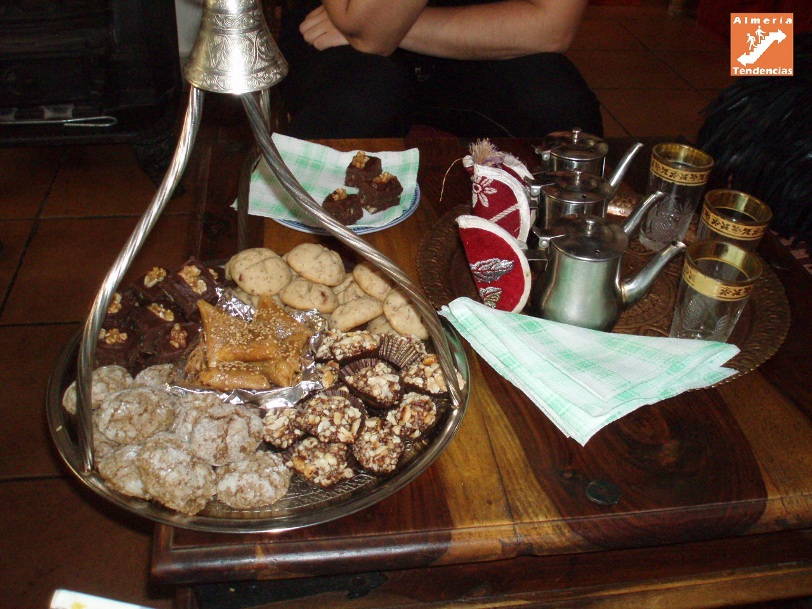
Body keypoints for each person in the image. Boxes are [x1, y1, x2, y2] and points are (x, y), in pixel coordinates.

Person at [276, 0, 603, 139]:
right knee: (358, 101)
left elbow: (551, 26)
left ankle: (546, 269)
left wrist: (403, 30)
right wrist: (376, 30)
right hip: (335, 25)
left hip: (478, 34)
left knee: (562, 111)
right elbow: (367, 27)